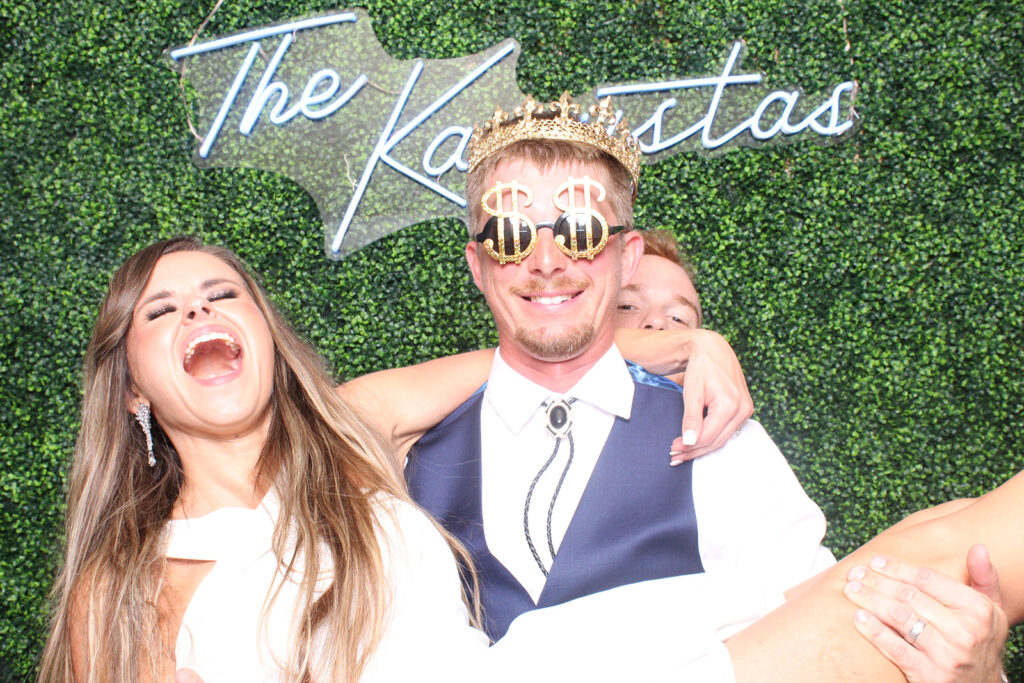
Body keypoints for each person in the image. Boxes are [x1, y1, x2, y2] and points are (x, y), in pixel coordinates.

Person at [35, 237, 812, 683]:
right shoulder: (126, 579)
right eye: (163, 310)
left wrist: (693, 343)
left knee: (872, 585)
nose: (199, 309)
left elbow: (522, 361)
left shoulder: (350, 433)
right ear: (131, 386)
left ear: (266, 334)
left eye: (223, 294)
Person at [406, 93, 835, 648]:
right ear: (478, 265)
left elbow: (820, 630)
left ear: (627, 256)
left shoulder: (719, 437)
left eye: (580, 232)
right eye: (512, 236)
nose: (546, 262)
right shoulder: (410, 461)